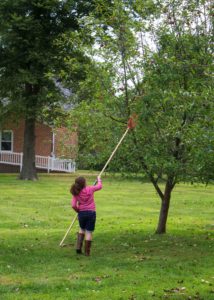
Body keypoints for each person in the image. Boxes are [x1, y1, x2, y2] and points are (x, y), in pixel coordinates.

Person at [70, 176, 102, 256]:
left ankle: (78, 247)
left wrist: (78, 210)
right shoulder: (90, 189)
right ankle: (87, 252)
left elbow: (73, 205)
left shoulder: (76, 192)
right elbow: (99, 186)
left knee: (81, 228)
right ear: (84, 183)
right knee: (89, 232)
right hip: (91, 213)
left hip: (82, 213)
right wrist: (99, 179)